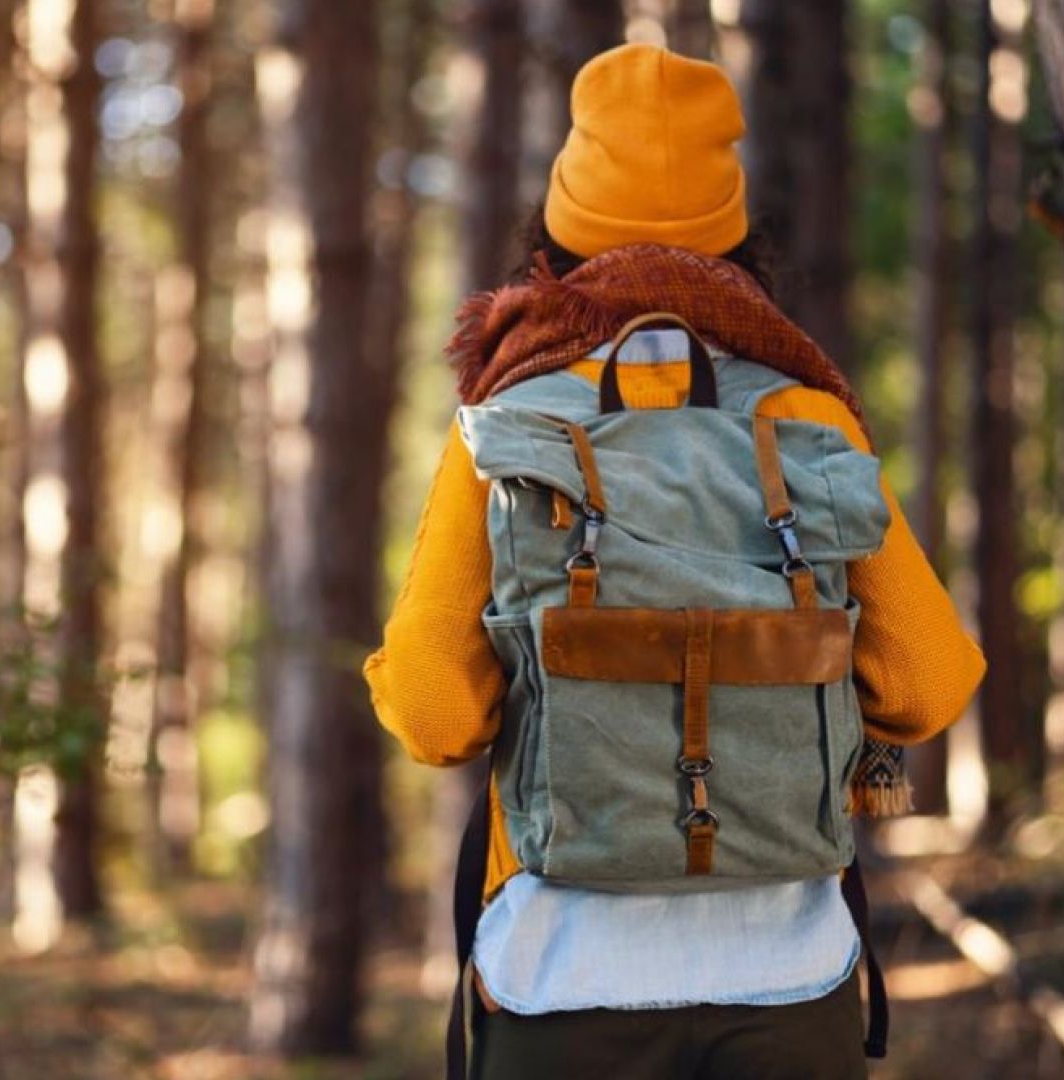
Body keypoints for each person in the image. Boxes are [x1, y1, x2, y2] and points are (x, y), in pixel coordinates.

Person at [364, 42, 985, 1079]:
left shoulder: (511, 419)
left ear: (551, 243)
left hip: (559, 981)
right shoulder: (806, 411)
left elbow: (434, 715)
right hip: (790, 978)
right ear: (741, 241)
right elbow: (927, 683)